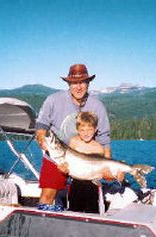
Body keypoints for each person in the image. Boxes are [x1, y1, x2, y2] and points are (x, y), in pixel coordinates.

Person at [35, 64, 112, 209]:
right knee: (47, 195)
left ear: (88, 83)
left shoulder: (98, 106)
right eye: (74, 83)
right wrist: (42, 140)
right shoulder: (53, 100)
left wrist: (107, 166)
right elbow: (41, 126)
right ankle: (44, 220)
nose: (78, 87)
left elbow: (104, 139)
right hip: (55, 157)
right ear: (68, 84)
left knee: (89, 201)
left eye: (82, 82)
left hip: (87, 161)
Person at [68, 111, 124, 213]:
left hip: (93, 185)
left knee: (92, 211)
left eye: (90, 130)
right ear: (77, 130)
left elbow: (105, 174)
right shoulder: (73, 142)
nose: (86, 133)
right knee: (74, 211)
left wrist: (116, 176)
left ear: (95, 129)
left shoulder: (99, 148)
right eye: (82, 130)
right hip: (76, 184)